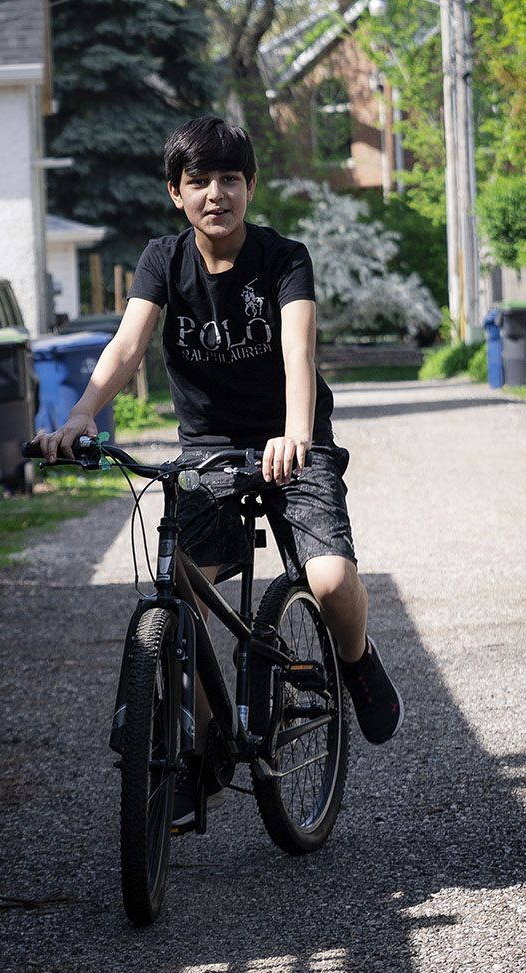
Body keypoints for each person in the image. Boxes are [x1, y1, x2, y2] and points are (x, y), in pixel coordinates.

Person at [33, 116, 403, 825]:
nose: (215, 194)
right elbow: (126, 346)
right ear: (176, 193)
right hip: (207, 445)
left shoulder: (282, 257)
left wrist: (295, 434)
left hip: (290, 437)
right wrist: (82, 416)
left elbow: (298, 350)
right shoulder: (161, 261)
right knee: (187, 590)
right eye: (198, 181)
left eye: (229, 179)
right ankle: (202, 749)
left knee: (327, 579)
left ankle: (355, 659)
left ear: (249, 187)